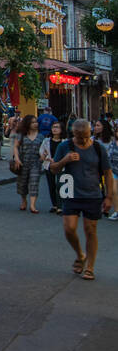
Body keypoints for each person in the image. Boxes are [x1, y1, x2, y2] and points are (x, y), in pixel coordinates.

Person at [48, 117, 115, 280]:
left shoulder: (98, 148)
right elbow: (53, 169)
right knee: (69, 228)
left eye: (86, 136)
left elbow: (108, 173)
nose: (84, 140)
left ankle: (90, 267)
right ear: (73, 133)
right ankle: (80, 254)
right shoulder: (65, 146)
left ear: (90, 132)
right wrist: (66, 159)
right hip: (71, 192)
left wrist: (109, 197)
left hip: (92, 194)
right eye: (80, 137)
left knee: (90, 230)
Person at [11, 116, 45, 213]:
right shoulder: (21, 135)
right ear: (27, 124)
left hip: (36, 162)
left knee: (34, 183)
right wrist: (17, 159)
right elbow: (15, 147)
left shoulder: (41, 136)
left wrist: (43, 157)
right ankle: (24, 201)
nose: (35, 124)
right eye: (33, 122)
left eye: (36, 122)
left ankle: (33, 205)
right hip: (22, 162)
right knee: (22, 183)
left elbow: (45, 149)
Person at [94, 118, 118, 221]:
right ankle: (114, 210)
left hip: (111, 168)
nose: (95, 127)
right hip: (105, 169)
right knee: (111, 190)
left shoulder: (112, 140)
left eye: (98, 125)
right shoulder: (93, 140)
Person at [44, 119, 66, 214]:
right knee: (51, 185)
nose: (55, 129)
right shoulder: (46, 141)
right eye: (53, 127)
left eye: (57, 127)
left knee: (60, 185)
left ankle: (61, 206)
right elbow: (42, 153)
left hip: (61, 165)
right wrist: (48, 158)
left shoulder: (65, 142)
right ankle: (54, 205)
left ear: (61, 129)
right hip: (49, 165)